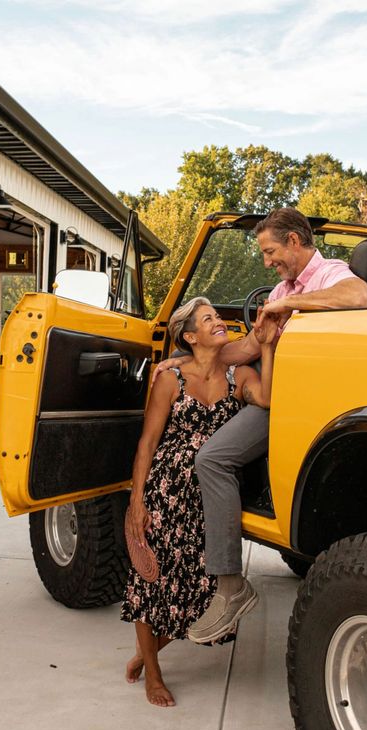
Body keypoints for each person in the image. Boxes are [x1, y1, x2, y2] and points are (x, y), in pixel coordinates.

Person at [153, 208, 367, 645]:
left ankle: (229, 587)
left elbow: (359, 296)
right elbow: (249, 347)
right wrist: (184, 361)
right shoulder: (280, 288)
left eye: (271, 251)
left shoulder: (328, 273)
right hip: (279, 400)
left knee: (211, 459)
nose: (267, 261)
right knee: (210, 456)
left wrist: (287, 305)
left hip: (311, 404)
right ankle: (228, 581)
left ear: (294, 241)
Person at [121, 295, 277, 708]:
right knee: (150, 584)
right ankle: (154, 674)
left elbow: (267, 400)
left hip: (210, 500)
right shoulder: (170, 379)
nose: (219, 322)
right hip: (166, 490)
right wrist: (137, 501)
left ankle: (145, 652)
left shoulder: (237, 373)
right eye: (209, 319)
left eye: (218, 317)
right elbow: (147, 443)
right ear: (190, 336)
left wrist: (268, 346)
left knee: (203, 594)